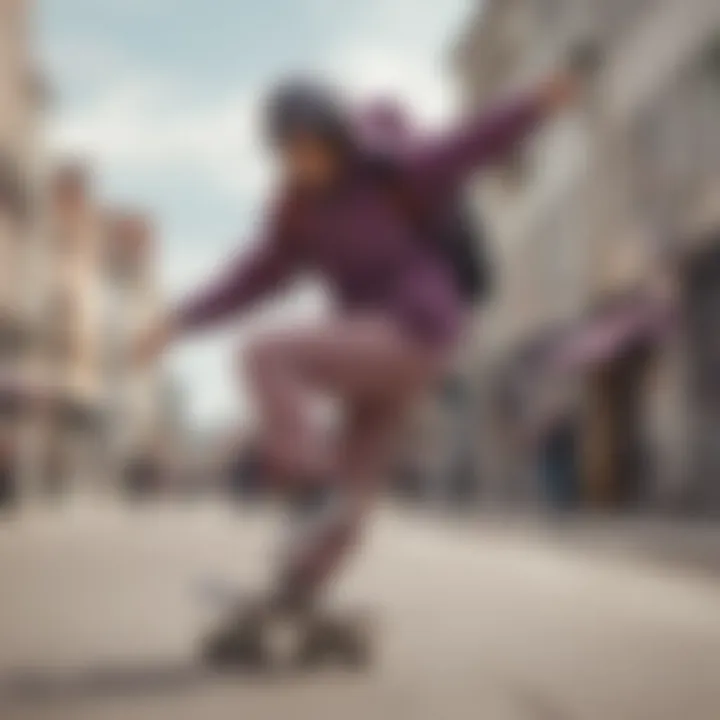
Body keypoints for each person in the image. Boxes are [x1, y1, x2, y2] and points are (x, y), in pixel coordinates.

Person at [136, 73, 578, 612]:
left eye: (311, 146)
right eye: (288, 151)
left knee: (266, 353)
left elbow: (471, 144)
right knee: (354, 483)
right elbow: (249, 277)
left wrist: (532, 103)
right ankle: (301, 588)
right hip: (374, 352)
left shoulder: (398, 169)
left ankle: (310, 484)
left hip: (417, 328)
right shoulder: (297, 214)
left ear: (337, 137)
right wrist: (180, 320)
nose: (303, 162)